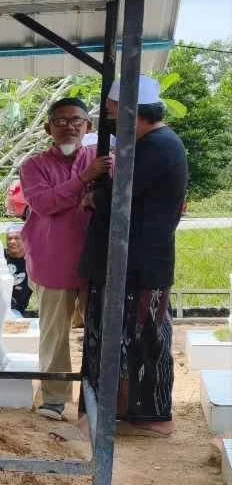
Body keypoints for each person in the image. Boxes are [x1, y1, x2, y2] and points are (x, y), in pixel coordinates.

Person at [81, 75, 187, 438]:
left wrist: (95, 196)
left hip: (141, 265)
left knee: (146, 338)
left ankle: (153, 417)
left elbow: (116, 197)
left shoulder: (157, 146)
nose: (110, 119)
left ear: (132, 112)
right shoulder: (152, 144)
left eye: (113, 112)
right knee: (129, 338)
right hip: (133, 262)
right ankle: (127, 410)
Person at [20, 97, 111, 421]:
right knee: (55, 335)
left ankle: (98, 397)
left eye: (76, 120)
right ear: (48, 128)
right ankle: (54, 400)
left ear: (88, 126)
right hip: (53, 263)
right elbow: (45, 203)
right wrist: (84, 181)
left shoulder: (103, 160)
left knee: (100, 333)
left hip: (96, 264)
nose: (69, 126)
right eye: (60, 121)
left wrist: (93, 189)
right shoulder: (34, 165)